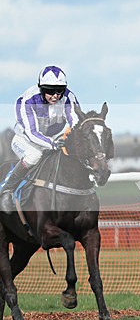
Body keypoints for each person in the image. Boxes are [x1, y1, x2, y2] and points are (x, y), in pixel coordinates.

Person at [1, 66, 81, 212]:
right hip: (25, 140)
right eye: (50, 91)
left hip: (53, 138)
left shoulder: (69, 97)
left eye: (59, 90)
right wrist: (52, 144)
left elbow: (75, 122)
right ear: (42, 89)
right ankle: (7, 190)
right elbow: (32, 132)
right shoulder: (26, 101)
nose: (55, 96)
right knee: (35, 156)